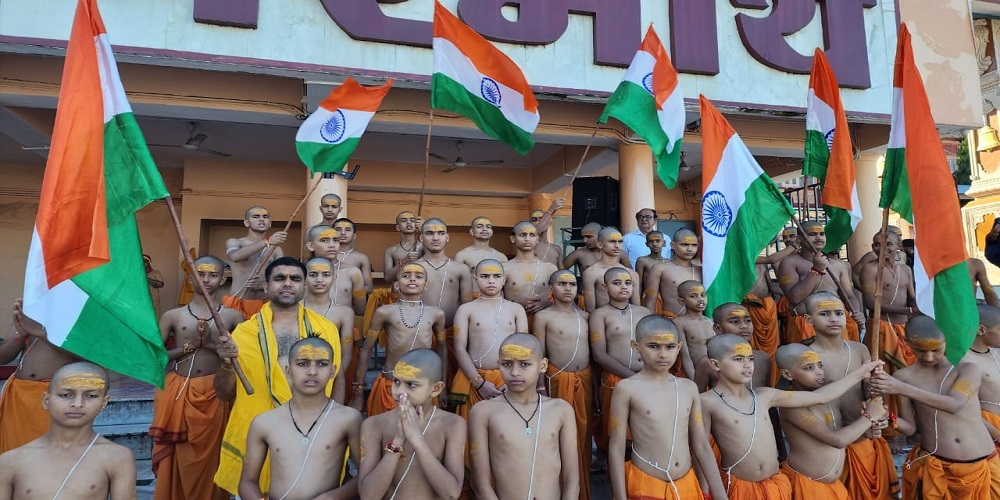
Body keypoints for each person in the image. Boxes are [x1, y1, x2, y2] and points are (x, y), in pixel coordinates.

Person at [213, 257, 342, 495]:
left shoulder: (325, 330)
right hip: (256, 436)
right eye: (280, 278)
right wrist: (227, 364)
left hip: (311, 434)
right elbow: (223, 393)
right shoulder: (244, 333)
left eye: (295, 279)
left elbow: (336, 380)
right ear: (266, 286)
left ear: (304, 286)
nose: (287, 283)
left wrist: (335, 424)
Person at [700, 334, 879, 498]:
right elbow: (702, 449)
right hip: (740, 485)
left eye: (750, 359)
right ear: (715, 365)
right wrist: (714, 493)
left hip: (775, 484)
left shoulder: (765, 395)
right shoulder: (707, 402)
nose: (747, 365)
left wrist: (861, 373)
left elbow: (822, 396)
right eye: (738, 359)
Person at [869, 315, 1000, 499]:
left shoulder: (967, 369)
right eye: (920, 350)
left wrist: (900, 388)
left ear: (947, 340)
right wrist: (886, 416)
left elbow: (955, 404)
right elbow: (910, 428)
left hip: (982, 463)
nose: (929, 357)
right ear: (906, 342)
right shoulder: (903, 377)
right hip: (937, 467)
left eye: (936, 349)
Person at [149, 255, 243, 500]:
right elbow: (156, 358)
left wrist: (210, 345)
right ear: (190, 278)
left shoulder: (233, 317)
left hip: (218, 392)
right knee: (177, 458)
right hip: (179, 392)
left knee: (215, 457)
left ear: (222, 279)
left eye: (213, 275)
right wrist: (189, 346)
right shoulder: (173, 315)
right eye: (200, 274)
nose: (206, 279)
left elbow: (241, 358)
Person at [608, 316, 727, 500]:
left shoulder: (688, 388)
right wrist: (620, 497)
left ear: (679, 348)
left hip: (686, 484)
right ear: (635, 346)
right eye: (653, 346)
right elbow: (616, 448)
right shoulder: (627, 389)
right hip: (646, 485)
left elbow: (701, 445)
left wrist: (720, 495)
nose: (663, 354)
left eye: (670, 347)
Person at [238, 337, 361, 500]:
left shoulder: (348, 419)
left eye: (322, 364)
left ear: (333, 371)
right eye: (303, 364)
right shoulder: (265, 422)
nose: (312, 372)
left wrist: (332, 497)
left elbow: (367, 475)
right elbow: (247, 482)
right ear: (288, 370)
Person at [804, 292, 899, 499]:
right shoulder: (807, 357)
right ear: (809, 320)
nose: (833, 319)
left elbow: (869, 393)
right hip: (831, 441)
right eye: (824, 314)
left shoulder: (860, 349)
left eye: (839, 313)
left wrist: (878, 409)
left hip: (865, 436)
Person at [0, 362, 135, 500]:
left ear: (104, 403)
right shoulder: (11, 460)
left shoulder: (117, 457)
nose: (77, 404)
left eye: (91, 396)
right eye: (65, 395)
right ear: (46, 400)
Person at [468, 333, 579, 500]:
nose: (515, 372)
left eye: (524, 364)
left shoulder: (561, 410)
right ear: (498, 364)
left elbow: (572, 480)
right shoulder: (483, 412)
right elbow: (481, 485)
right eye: (506, 364)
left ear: (543, 365)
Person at [776, 344, 889, 500]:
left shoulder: (832, 392)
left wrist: (868, 429)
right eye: (809, 368)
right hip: (807, 485)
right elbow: (837, 440)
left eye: (820, 365)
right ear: (787, 374)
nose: (819, 372)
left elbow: (846, 430)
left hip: (836, 485)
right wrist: (870, 417)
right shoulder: (790, 405)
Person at [357, 349, 465, 500]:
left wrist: (417, 439)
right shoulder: (374, 425)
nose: (399, 391)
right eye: (396, 382)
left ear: (436, 389)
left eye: (411, 384)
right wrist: (398, 441)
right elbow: (368, 496)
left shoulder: (452, 425)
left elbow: (451, 494)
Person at [532, 269, 593, 500]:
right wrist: (540, 387)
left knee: (582, 435)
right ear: (551, 289)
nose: (568, 288)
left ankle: (580, 489)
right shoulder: (543, 317)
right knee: (557, 435)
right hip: (555, 380)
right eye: (562, 284)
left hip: (583, 381)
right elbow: (539, 354)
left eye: (572, 284)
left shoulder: (585, 317)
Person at [355, 263, 447, 416]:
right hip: (391, 385)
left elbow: (442, 350)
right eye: (406, 276)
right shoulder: (384, 312)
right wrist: (358, 391)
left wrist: (444, 387)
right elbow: (367, 348)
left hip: (424, 386)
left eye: (418, 277)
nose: (412, 279)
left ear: (426, 285)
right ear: (397, 285)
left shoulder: (436, 314)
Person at [450, 259, 528, 419]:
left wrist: (511, 380)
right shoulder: (466, 309)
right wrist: (479, 383)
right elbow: (459, 349)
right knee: (473, 429)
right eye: (485, 276)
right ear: (475, 279)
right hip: (475, 378)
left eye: (496, 276)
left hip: (508, 379)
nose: (491, 281)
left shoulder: (516, 309)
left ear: (504, 280)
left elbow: (523, 348)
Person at [0, 298, 80, 453]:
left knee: (45, 457)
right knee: (14, 456)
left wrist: (42, 334)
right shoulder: (32, 304)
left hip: (55, 396)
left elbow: (94, 356)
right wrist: (19, 336)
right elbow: (2, 358)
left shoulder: (81, 304)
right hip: (18, 396)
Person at [589, 267, 654, 454]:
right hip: (616, 380)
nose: (623, 287)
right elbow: (599, 355)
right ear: (604, 287)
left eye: (628, 283)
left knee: (646, 432)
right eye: (616, 283)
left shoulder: (644, 312)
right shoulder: (600, 315)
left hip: (647, 379)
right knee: (618, 438)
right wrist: (634, 377)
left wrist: (648, 376)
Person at [776, 220, 863, 343]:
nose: (818, 238)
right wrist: (816, 270)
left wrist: (857, 312)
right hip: (806, 325)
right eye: (812, 234)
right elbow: (795, 298)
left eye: (822, 234)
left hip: (836, 323)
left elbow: (849, 296)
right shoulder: (789, 263)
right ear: (800, 239)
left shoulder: (838, 265)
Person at [415, 218, 473, 383]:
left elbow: (467, 308)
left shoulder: (460, 269)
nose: (435, 238)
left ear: (447, 237)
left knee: (451, 382)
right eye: (430, 233)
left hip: (451, 336)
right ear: (421, 238)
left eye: (440, 233)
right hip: (420, 334)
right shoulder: (414, 269)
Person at [302, 257, 358, 404]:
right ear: (304, 279)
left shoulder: (344, 312)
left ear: (334, 279)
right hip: (297, 374)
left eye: (326, 275)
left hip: (332, 375)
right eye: (313, 275)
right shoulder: (295, 308)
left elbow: (346, 353)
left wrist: (331, 377)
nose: (319, 280)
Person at [859, 231, 917, 373]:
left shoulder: (905, 269)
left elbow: (912, 299)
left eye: (888, 244)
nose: (882, 248)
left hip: (904, 328)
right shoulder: (870, 269)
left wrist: (919, 310)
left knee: (909, 374)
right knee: (883, 373)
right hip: (881, 328)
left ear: (899, 246)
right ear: (872, 247)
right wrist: (908, 311)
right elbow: (871, 304)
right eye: (877, 245)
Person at [225, 205, 287, 318]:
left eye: (265, 217)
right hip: (238, 302)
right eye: (256, 216)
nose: (261, 219)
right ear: (246, 223)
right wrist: (266, 242)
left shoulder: (276, 249)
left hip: (266, 302)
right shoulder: (235, 242)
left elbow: (280, 276)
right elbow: (234, 256)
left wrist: (264, 284)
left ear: (270, 223)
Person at [693, 303, 771, 391]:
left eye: (748, 321)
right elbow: (697, 396)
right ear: (718, 329)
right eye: (735, 322)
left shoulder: (763, 358)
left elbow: (769, 393)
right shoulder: (708, 363)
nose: (744, 326)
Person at [305, 224, 367, 317]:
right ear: (311, 246)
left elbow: (360, 310)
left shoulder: (353, 273)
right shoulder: (301, 273)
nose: (332, 245)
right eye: (324, 240)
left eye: (335, 240)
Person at [643, 229, 702, 318]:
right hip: (671, 321)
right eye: (684, 245)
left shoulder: (700, 270)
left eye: (694, 245)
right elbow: (650, 303)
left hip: (698, 323)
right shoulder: (659, 268)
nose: (690, 249)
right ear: (673, 245)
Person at [503, 221, 558, 316]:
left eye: (532, 235)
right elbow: (493, 298)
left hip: (544, 319)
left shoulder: (550, 268)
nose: (527, 239)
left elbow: (561, 298)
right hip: (512, 318)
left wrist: (546, 303)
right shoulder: (504, 268)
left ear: (537, 239)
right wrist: (516, 303)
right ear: (513, 238)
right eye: (523, 235)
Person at [581, 228, 640, 312]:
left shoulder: (632, 274)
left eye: (620, 242)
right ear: (600, 245)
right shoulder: (591, 273)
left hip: (628, 317)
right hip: (602, 317)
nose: (617, 246)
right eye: (612, 241)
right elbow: (590, 309)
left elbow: (637, 307)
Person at [968, 304, 1000, 447]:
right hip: (986, 430)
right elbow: (966, 408)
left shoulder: (996, 353)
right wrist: (996, 435)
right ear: (981, 330)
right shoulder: (965, 361)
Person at [672, 280, 714, 379]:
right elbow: (685, 356)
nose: (700, 299)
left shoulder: (711, 322)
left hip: (715, 372)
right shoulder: (680, 323)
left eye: (703, 295)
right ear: (682, 301)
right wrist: (695, 381)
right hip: (695, 373)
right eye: (693, 296)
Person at [744, 263, 780, 358]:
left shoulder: (763, 265)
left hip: (768, 307)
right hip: (750, 306)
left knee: (772, 340)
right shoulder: (739, 264)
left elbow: (771, 286)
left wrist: (786, 292)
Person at [334, 217, 374, 294]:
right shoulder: (325, 255)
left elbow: (369, 288)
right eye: (338, 229)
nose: (343, 233)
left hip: (350, 300)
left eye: (348, 230)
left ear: (354, 235)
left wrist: (345, 292)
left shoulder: (361, 258)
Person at [383, 211, 423, 283]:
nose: (409, 222)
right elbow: (387, 278)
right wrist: (404, 261)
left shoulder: (424, 247)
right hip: (400, 288)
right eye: (404, 220)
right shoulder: (391, 251)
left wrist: (425, 228)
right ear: (398, 227)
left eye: (412, 220)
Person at [529, 202, 564, 268]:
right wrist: (551, 209)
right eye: (534, 219)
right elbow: (535, 232)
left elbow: (561, 271)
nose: (539, 222)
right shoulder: (529, 245)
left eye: (542, 219)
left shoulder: (557, 249)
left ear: (549, 222)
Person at [145, 254, 164, 318]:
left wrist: (146, 278)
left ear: (149, 262)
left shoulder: (156, 273)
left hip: (153, 300)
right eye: (141, 261)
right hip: (142, 300)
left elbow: (160, 284)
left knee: (154, 317)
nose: (143, 263)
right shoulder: (138, 274)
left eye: (145, 261)